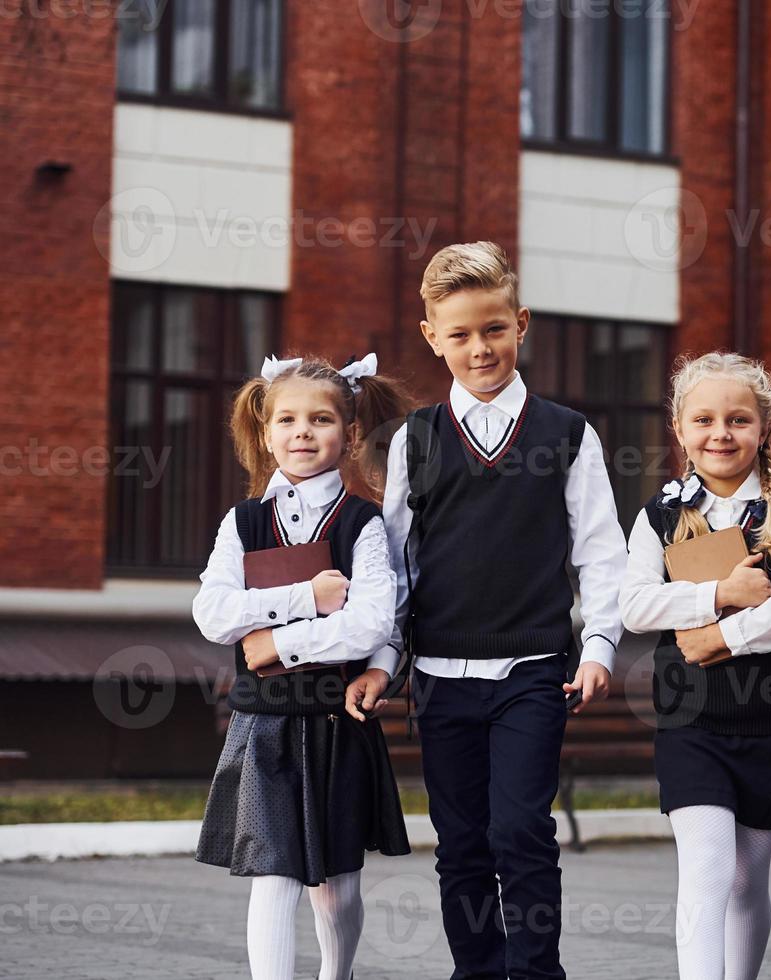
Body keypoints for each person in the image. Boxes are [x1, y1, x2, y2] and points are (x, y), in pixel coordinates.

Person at [377, 240, 628, 980]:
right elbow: (393, 564)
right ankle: (477, 970)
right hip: (439, 673)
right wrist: (382, 661)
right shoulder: (415, 441)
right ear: (432, 338)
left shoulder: (567, 434)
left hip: (533, 669)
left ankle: (536, 971)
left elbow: (601, 552)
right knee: (460, 842)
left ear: (520, 323)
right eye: (459, 334)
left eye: (493, 329)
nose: (479, 348)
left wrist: (600, 648)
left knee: (520, 830)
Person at [193, 352, 413, 980]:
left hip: (336, 722)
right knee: (273, 877)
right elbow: (213, 613)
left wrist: (274, 643)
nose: (302, 432)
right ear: (266, 433)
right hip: (264, 725)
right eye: (286, 419)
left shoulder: (363, 523)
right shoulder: (243, 522)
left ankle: (335, 974)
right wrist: (307, 599)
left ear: (347, 434)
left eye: (320, 419)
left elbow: (372, 623)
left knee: (336, 887)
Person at [619, 352, 771, 979]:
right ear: (679, 430)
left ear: (763, 429)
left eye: (738, 420)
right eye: (703, 419)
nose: (721, 434)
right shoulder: (658, 515)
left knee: (746, 880)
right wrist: (720, 596)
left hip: (769, 716)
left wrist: (723, 638)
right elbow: (633, 606)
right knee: (706, 871)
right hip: (690, 719)